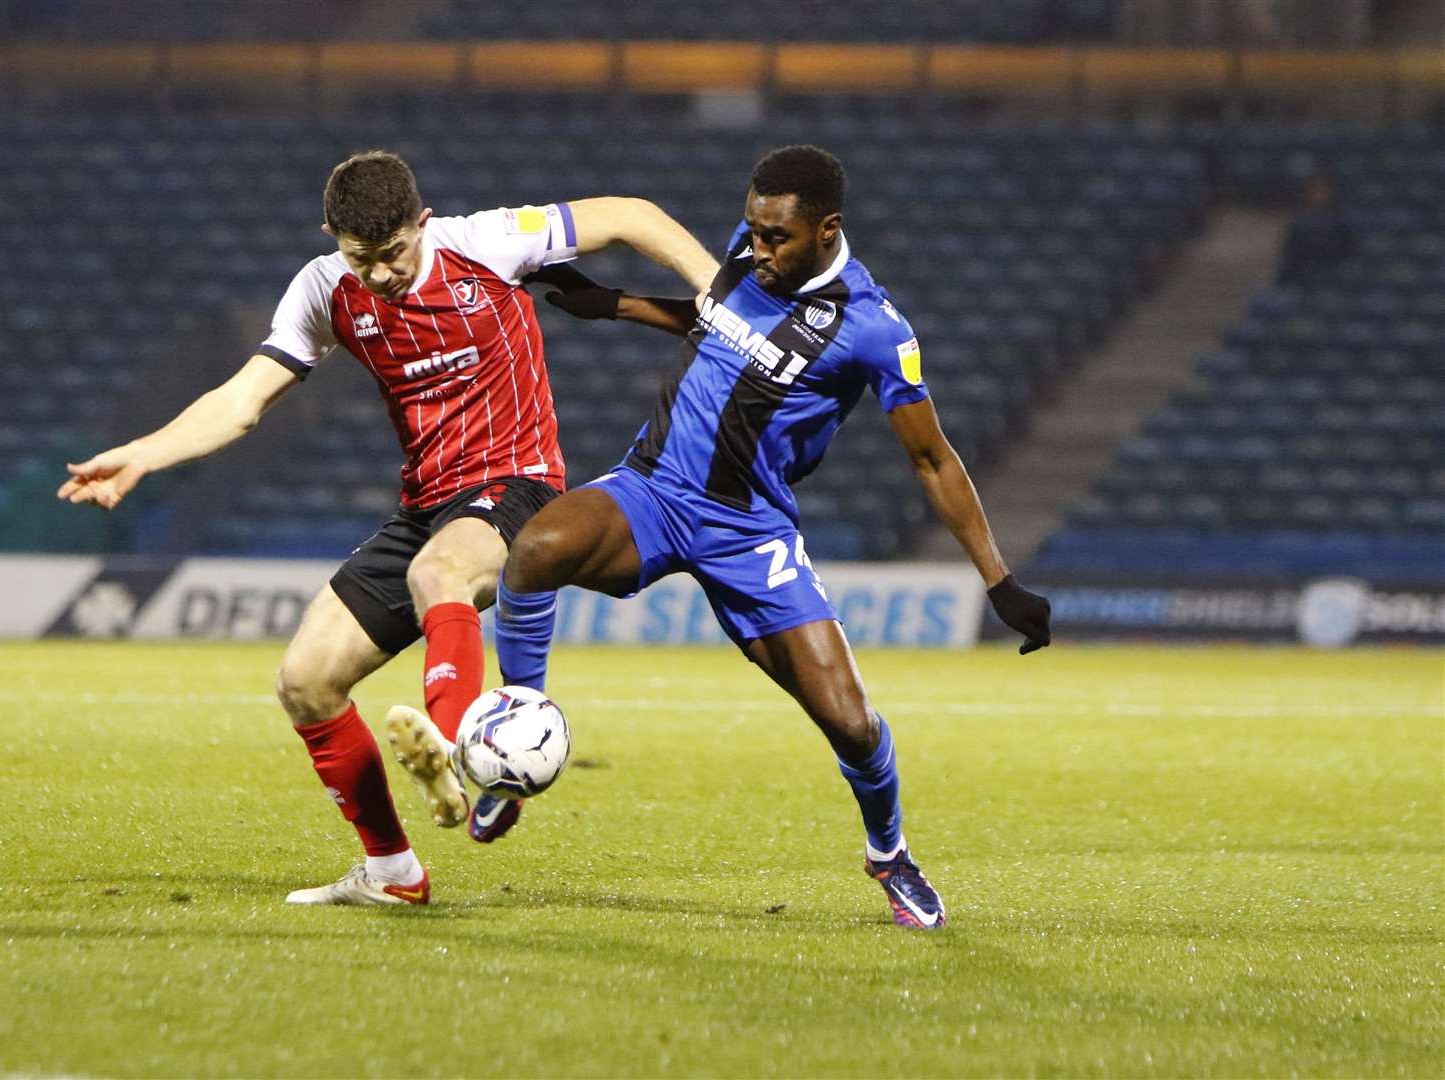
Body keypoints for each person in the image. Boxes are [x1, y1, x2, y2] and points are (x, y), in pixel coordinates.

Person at [391, 145, 1051, 928]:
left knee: (848, 719)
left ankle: (889, 853)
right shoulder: (747, 258)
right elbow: (712, 324)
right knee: (533, 550)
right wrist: (612, 303)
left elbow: (932, 459)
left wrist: (999, 580)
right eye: (752, 230)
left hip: (748, 530)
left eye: (776, 237)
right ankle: (517, 737)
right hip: (654, 489)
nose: (756, 249)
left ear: (826, 229)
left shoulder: (873, 328)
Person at [58, 150, 718, 907]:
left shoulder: (488, 242)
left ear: (423, 224)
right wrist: (141, 456)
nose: (378, 274)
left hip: (517, 486)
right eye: (359, 257)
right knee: (306, 682)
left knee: (438, 574)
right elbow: (244, 400)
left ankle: (450, 738)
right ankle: (393, 875)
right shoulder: (323, 288)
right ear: (332, 238)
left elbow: (630, 214)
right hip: (425, 508)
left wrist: (717, 291)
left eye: (393, 253)